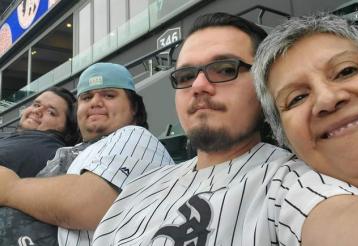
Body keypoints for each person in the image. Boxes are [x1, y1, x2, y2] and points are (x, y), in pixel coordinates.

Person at [90, 12, 344, 246]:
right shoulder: (138, 189)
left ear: (264, 86)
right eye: (186, 76)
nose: (198, 85)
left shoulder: (292, 181)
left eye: (224, 69)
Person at [0, 62, 174, 246]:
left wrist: (10, 187)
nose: (95, 102)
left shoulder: (135, 136)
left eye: (109, 95)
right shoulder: (72, 150)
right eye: (86, 97)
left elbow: (88, 203)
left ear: (134, 108)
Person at [252, 13, 358, 245]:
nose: (327, 100)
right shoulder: (294, 191)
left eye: (347, 71)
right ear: (283, 138)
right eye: (297, 98)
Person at [0, 86, 78, 177]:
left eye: (51, 112)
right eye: (36, 105)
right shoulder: (16, 140)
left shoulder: (45, 149)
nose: (37, 110)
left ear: (67, 130)